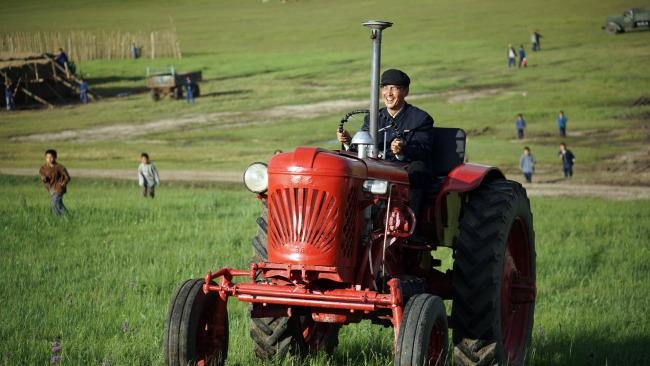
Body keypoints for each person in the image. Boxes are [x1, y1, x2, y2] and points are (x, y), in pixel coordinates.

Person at [337, 69, 434, 238]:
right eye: (386, 88)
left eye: (394, 88)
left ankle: (411, 227)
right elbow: (362, 147)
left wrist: (402, 150)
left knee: (418, 170)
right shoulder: (374, 117)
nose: (389, 94)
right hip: (377, 166)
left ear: (405, 91)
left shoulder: (420, 118)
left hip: (403, 167)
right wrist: (348, 141)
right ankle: (347, 225)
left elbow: (423, 150)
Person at [38, 149, 71, 216]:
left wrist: (63, 184)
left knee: (55, 203)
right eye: (47, 157)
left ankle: (68, 216)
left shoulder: (60, 167)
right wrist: (43, 178)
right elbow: (42, 175)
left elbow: (67, 177)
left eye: (51, 157)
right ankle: (57, 219)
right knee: (55, 204)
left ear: (55, 157)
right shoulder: (43, 168)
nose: (49, 159)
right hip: (51, 189)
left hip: (59, 188)